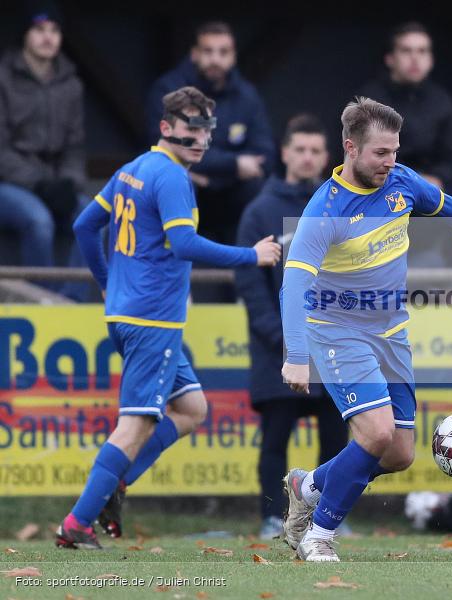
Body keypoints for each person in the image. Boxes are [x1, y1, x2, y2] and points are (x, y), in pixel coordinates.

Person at [279, 97, 452, 562]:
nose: (390, 162)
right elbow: (294, 284)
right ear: (350, 148)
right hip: (338, 331)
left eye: (395, 151)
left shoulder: (402, 182)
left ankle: (310, 485)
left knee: (399, 452)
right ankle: (318, 536)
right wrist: (296, 354)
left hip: (391, 332)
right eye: (381, 153)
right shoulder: (325, 209)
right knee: (376, 433)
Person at [55, 86, 281, 549]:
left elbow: (85, 226)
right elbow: (184, 245)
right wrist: (251, 255)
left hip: (128, 315)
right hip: (152, 321)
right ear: (166, 127)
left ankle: (116, 483)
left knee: (193, 409)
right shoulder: (173, 177)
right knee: (136, 423)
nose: (199, 139)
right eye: (190, 127)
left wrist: (107, 281)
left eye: (207, 129)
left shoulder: (133, 168)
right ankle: (78, 521)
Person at [234, 114, 347, 539]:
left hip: (331, 346)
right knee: (275, 439)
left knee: (335, 438)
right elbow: (251, 283)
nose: (306, 157)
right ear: (284, 152)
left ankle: (329, 518)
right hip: (275, 349)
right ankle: (271, 519)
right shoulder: (259, 211)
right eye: (299, 149)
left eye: (315, 150)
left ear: (326, 156)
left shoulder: (338, 206)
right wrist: (283, 336)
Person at [146, 21, 275, 245]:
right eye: (208, 51)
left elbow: (265, 154)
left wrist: (212, 174)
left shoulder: (247, 96)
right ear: (194, 54)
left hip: (230, 191)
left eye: (223, 52)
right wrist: (234, 164)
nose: (215, 59)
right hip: (188, 184)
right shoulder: (169, 90)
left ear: (233, 56)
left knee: (262, 192)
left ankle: (256, 273)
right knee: (178, 180)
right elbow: (168, 145)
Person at [359, 21, 452, 266]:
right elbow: (358, 159)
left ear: (431, 59)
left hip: (427, 208)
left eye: (422, 51)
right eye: (406, 51)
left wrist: (437, 178)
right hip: (379, 202)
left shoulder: (441, 101)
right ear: (390, 58)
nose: (415, 59)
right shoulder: (369, 102)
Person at [0, 3, 90, 274]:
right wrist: (39, 184)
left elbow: (75, 146)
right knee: (39, 220)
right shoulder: (3, 78)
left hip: (54, 182)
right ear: (25, 35)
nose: (48, 37)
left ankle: (73, 301)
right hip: (10, 183)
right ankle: (43, 303)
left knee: (95, 219)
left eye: (54, 30)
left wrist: (68, 183)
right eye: (39, 29)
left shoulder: (71, 84)